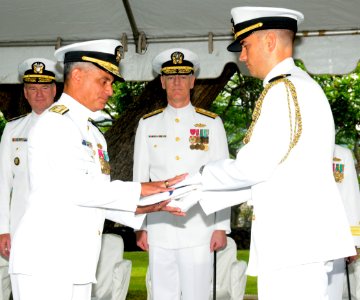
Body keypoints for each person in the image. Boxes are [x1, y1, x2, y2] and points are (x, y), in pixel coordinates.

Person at [184, 6, 356, 300]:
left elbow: (254, 167)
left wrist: (198, 177)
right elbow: (278, 175)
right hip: (301, 242)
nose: (242, 56)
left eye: (246, 45)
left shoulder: (282, 90)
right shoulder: (303, 86)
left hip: (291, 243)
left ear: (269, 42)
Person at [8, 39, 186, 300]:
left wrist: (148, 204)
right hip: (46, 261)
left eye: (111, 83)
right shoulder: (55, 124)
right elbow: (80, 190)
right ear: (77, 75)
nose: (110, 91)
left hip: (76, 261)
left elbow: (97, 197)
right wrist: (141, 188)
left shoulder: (93, 133)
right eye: (104, 81)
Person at [133, 48, 231, 300]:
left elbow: (222, 177)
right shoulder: (147, 124)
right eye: (171, 77)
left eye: (183, 76)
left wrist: (221, 226)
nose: (177, 82)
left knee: (197, 294)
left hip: (199, 226)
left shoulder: (211, 123)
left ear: (192, 81)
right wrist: (139, 226)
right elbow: (139, 177)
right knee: (161, 294)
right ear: (162, 82)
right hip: (159, 225)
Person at [0, 57, 60, 300]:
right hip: (22, 232)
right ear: (24, 92)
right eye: (33, 88)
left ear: (54, 90)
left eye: (44, 87)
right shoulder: (13, 130)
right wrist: (3, 229)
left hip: (60, 230)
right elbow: (2, 183)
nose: (39, 94)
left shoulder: (73, 128)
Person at [327, 144, 360, 300]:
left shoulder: (341, 154)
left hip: (334, 238)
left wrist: (354, 241)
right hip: (301, 236)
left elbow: (351, 197)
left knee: (332, 292)